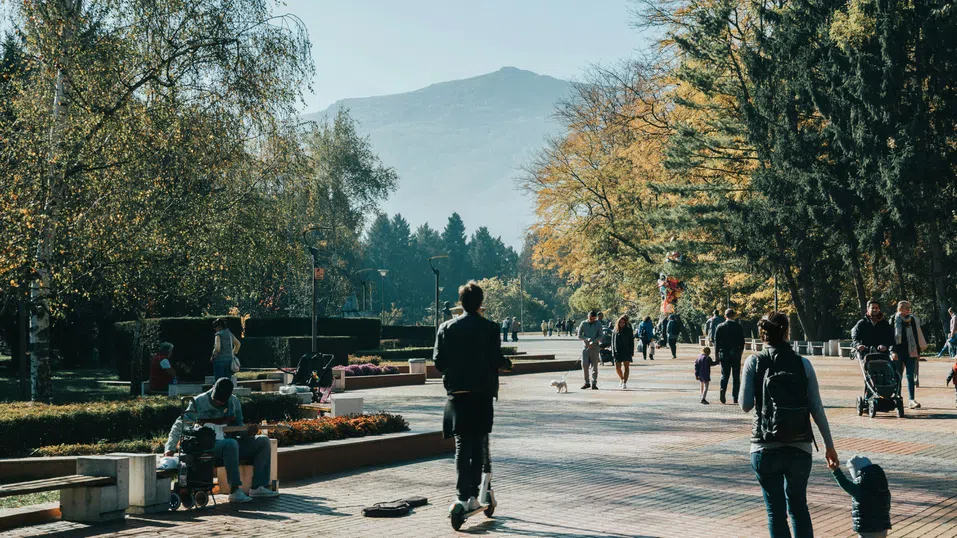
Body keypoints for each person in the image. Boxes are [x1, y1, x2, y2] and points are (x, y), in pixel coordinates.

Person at [740, 312, 838, 538]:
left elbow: (745, 405)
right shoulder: (803, 364)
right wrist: (829, 446)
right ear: (786, 332)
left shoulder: (754, 361)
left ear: (763, 333)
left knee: (775, 512)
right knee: (799, 508)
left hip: (764, 445)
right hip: (799, 445)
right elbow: (817, 408)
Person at [433, 281, 506, 514]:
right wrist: (506, 364)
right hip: (482, 393)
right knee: (478, 445)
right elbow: (496, 359)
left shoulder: (446, 327)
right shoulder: (491, 328)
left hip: (457, 394)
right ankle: (474, 494)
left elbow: (438, 362)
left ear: (460, 302)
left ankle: (463, 494)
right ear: (480, 303)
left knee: (462, 446)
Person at [164, 378, 278, 503]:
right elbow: (180, 424)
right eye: (215, 400)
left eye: (221, 401)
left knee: (263, 441)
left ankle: (258, 487)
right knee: (231, 444)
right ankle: (235, 490)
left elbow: (239, 427)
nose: (218, 402)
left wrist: (248, 432)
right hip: (210, 446)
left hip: (231, 443)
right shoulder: (199, 401)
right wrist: (170, 448)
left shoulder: (234, 402)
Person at [828, 455, 892, 538]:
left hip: (867, 529)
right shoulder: (882, 486)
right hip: (883, 528)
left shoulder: (860, 490)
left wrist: (836, 470)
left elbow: (845, 484)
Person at [890, 301, 927, 409]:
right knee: (897, 376)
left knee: (910, 376)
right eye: (906, 308)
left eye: (909, 308)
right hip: (898, 351)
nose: (908, 310)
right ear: (900, 308)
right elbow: (890, 336)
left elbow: (917, 335)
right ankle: (897, 397)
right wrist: (892, 351)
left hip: (911, 351)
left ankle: (911, 399)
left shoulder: (913, 320)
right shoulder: (893, 319)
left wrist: (918, 352)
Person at [714, 309, 746, 405]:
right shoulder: (738, 326)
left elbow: (716, 342)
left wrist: (716, 355)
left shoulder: (720, 326)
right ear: (734, 316)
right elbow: (742, 341)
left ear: (725, 316)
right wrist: (740, 351)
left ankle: (722, 392)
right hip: (735, 353)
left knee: (724, 375)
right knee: (736, 376)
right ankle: (735, 397)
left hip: (724, 354)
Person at [577, 310, 603, 390]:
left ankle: (594, 383)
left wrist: (594, 341)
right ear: (588, 317)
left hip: (595, 348)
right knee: (584, 365)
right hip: (586, 348)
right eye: (590, 319)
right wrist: (586, 339)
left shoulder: (598, 324)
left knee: (594, 366)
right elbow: (579, 335)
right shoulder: (583, 323)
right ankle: (586, 382)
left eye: (593, 319)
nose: (592, 320)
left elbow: (601, 336)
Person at [612, 315, 634, 389]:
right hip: (617, 351)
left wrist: (632, 351)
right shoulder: (615, 330)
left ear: (625, 323)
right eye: (620, 322)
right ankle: (621, 378)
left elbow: (631, 341)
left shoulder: (629, 330)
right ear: (618, 323)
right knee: (617, 368)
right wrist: (613, 351)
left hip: (626, 351)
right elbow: (612, 342)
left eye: (623, 322)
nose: (622, 323)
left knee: (626, 367)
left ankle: (624, 382)